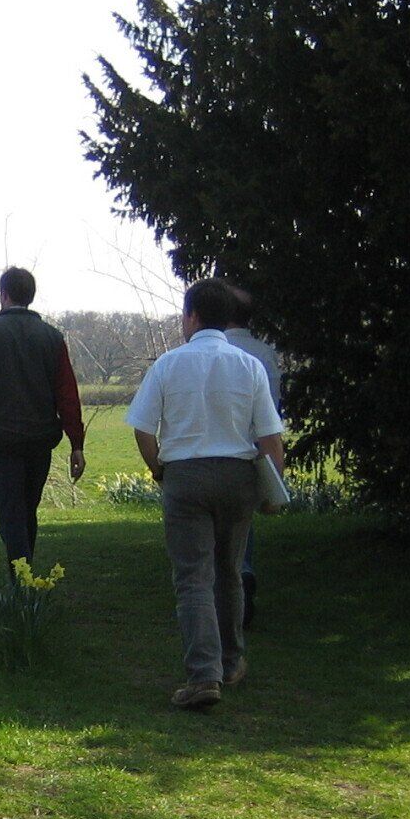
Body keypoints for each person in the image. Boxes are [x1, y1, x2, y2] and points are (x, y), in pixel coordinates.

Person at [125, 278, 286, 709]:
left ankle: (203, 675)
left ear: (192, 316)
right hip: (238, 476)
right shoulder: (248, 365)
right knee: (229, 572)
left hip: (187, 477)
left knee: (193, 577)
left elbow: (143, 427)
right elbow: (271, 436)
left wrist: (158, 468)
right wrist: (275, 490)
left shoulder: (169, 364)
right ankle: (233, 661)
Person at [0, 266, 86, 570]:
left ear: (4, 295)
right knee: (27, 510)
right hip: (40, 440)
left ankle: (20, 581)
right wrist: (77, 443)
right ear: (31, 296)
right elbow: (68, 395)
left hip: (2, 439)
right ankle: (24, 576)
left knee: (10, 512)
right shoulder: (52, 338)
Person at [223, 284, 283, 628]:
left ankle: (231, 583)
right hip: (255, 447)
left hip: (220, 446)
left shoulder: (214, 351)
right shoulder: (266, 353)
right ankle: (243, 572)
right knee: (243, 522)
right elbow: (272, 412)